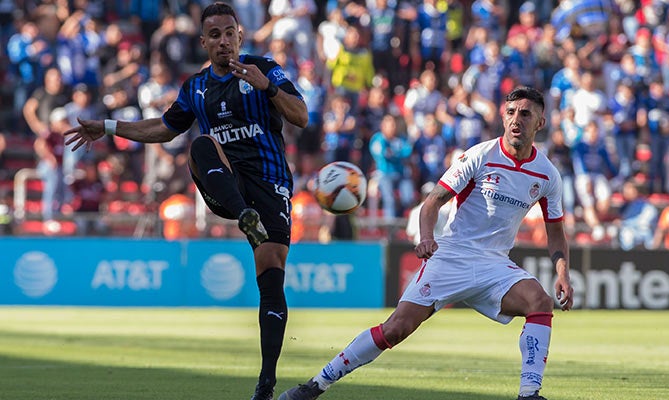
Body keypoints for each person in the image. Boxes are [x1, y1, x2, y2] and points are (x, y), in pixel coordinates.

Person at [63, 3, 309, 400]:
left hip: (270, 180)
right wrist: (108, 127)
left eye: (230, 33)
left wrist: (269, 87)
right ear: (204, 43)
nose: (224, 41)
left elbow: (301, 116)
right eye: (215, 35)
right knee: (200, 144)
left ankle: (266, 382)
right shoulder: (194, 87)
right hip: (226, 183)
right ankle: (243, 213)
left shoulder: (264, 68)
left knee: (271, 269)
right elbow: (163, 128)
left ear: (240, 36)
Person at [278, 87, 574, 400]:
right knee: (395, 329)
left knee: (539, 302)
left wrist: (563, 273)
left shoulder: (546, 174)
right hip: (452, 256)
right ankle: (316, 385)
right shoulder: (480, 155)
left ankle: (529, 393)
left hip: (495, 264)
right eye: (511, 112)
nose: (517, 120)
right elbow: (433, 202)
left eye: (525, 114)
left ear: (540, 122)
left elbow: (555, 231)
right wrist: (427, 237)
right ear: (503, 116)